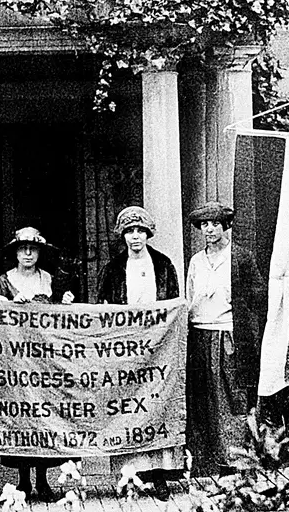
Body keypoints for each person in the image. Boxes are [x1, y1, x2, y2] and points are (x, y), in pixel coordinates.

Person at [95, 206, 181, 501]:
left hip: (157, 350)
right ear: (123, 235)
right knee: (127, 408)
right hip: (124, 350)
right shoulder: (114, 268)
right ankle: (130, 477)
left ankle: (159, 476)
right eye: (130, 232)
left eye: (140, 231)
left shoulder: (164, 265)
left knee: (155, 404)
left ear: (148, 234)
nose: (135, 237)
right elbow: (102, 307)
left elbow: (173, 307)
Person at [0, 227, 74, 502]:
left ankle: (43, 480)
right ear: (15, 252)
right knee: (21, 417)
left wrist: (63, 304)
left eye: (33, 248)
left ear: (39, 253)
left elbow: (58, 322)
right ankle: (23, 481)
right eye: (22, 248)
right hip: (16, 363)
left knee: (44, 417)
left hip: (44, 363)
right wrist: (7, 304)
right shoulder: (4, 281)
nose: (28, 253)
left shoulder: (49, 279)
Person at [186, 201, 266, 476]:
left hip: (229, 334)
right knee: (204, 398)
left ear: (225, 226)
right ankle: (206, 464)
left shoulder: (240, 257)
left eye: (215, 224)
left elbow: (258, 296)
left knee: (233, 396)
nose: (209, 230)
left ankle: (236, 461)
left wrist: (240, 310)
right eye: (205, 225)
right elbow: (190, 298)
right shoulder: (196, 261)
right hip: (200, 334)